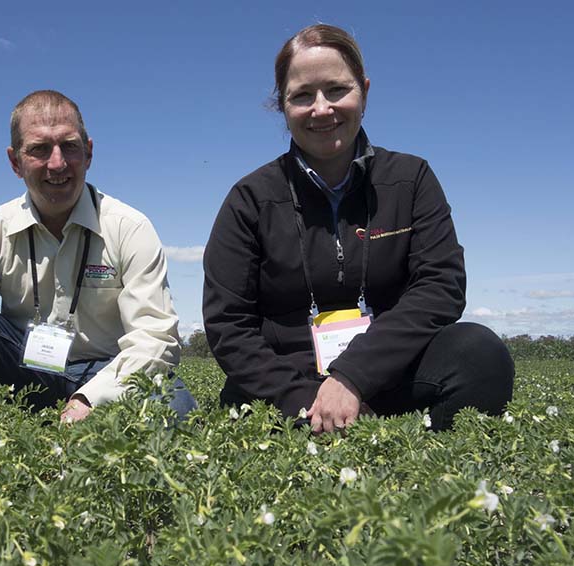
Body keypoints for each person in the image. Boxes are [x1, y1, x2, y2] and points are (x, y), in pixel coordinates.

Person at [202, 25, 514, 433]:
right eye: (302, 95)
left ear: (363, 91)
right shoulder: (250, 198)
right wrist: (305, 401)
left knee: (480, 355)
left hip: (389, 370)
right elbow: (228, 323)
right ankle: (331, 427)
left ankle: (401, 442)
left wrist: (353, 377)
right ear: (282, 104)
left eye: (336, 90)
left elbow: (441, 286)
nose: (321, 109)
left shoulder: (411, 178)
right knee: (247, 398)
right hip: (288, 382)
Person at [0, 90, 195, 422]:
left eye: (69, 146)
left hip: (108, 370)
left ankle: (76, 423)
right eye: (39, 149)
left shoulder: (129, 227)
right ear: (15, 162)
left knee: (174, 404)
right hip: (23, 367)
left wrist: (90, 398)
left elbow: (156, 335)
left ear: (89, 152)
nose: (57, 163)